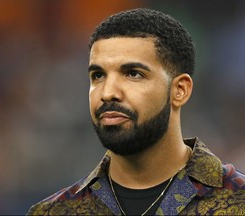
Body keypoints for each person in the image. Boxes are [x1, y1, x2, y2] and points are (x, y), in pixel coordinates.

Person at [27, 8, 245, 215]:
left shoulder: (238, 202)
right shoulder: (55, 211)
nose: (108, 92)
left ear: (179, 90)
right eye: (98, 76)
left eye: (133, 74)